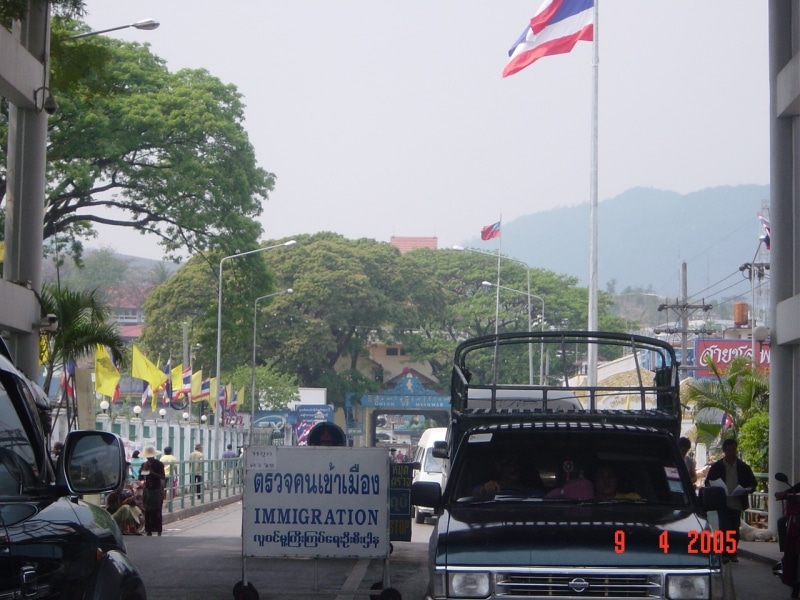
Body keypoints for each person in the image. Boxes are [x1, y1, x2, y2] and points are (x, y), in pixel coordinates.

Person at [704, 438, 757, 561]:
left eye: (734, 449)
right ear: (724, 451)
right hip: (723, 502)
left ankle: (732, 552)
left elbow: (752, 483)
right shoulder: (717, 467)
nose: (732, 452)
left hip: (737, 502)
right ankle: (724, 553)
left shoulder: (743, 467)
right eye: (729, 450)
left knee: (734, 529)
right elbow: (708, 483)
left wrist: (747, 489)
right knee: (724, 528)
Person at [473, 454, 544, 498]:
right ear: (498, 466)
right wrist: (484, 490)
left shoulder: (533, 493)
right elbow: (473, 496)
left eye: (519, 463)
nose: (516, 467)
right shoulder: (489, 489)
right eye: (510, 463)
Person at [139, 445, 166, 536]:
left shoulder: (159, 464)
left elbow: (162, 476)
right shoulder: (144, 464)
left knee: (157, 510)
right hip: (147, 489)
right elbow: (140, 477)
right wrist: (143, 473)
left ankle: (158, 530)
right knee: (147, 510)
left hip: (156, 489)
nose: (149, 458)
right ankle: (148, 530)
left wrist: (152, 473)